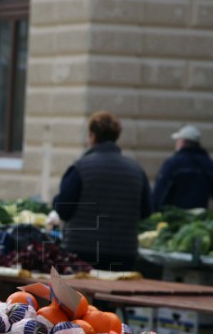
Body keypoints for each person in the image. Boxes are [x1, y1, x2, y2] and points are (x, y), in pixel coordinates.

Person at [52, 111, 152, 271]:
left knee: (80, 296)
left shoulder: (80, 168)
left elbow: (63, 209)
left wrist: (56, 200)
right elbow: (146, 211)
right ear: (116, 137)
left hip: (83, 252)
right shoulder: (136, 171)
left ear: (92, 136)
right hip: (124, 253)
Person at [152, 125, 213, 213]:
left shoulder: (173, 164)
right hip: (199, 221)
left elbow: (159, 195)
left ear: (182, 142)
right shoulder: (209, 165)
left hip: (175, 219)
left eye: (177, 141)